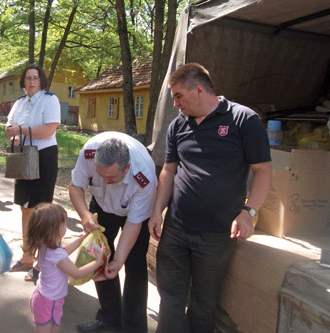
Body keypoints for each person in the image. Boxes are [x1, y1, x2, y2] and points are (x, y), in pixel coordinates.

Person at [148, 63, 272, 333]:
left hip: (216, 233)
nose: (176, 103)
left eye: (179, 96)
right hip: (176, 228)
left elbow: (262, 171)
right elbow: (168, 171)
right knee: (169, 299)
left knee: (204, 305)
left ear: (200, 90)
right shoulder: (178, 125)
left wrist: (249, 212)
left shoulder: (242, 119)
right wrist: (158, 210)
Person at [69, 131, 157, 333]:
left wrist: (119, 260)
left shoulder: (144, 176)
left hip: (134, 213)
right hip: (101, 205)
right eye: (101, 175)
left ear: (126, 168)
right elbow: (75, 187)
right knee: (99, 259)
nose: (105, 180)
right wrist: (85, 215)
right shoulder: (89, 153)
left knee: (134, 264)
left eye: (111, 177)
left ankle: (134, 326)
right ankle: (109, 317)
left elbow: (134, 223)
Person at [5, 64, 60, 278]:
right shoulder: (19, 103)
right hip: (23, 155)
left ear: (42, 80)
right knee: (25, 207)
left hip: (44, 155)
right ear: (23, 81)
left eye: (35, 78)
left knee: (43, 209)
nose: (31, 81)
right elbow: (10, 125)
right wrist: (12, 132)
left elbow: (49, 129)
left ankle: (42, 264)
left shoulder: (50, 99)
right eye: (28, 78)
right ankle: (27, 255)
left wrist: (21, 130)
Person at [26, 203, 105, 333]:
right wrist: (97, 262)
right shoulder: (55, 253)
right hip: (49, 301)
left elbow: (65, 251)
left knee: (54, 329)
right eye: (64, 224)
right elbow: (77, 273)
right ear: (52, 230)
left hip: (47, 297)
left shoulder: (46, 244)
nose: (66, 226)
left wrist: (82, 238)